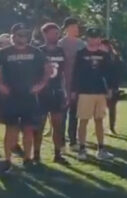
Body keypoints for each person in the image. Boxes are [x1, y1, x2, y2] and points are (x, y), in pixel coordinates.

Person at [0, 23, 50, 172]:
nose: (23, 37)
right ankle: (8, 160)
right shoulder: (4, 52)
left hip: (29, 96)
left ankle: (27, 159)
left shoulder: (36, 52)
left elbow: (48, 68)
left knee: (28, 130)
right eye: (20, 34)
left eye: (25, 34)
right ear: (13, 36)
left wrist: (41, 84)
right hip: (11, 97)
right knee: (11, 129)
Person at [72, 28, 117, 161]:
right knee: (83, 121)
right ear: (87, 39)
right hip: (84, 92)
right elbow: (76, 73)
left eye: (97, 37)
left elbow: (110, 73)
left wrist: (110, 89)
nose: (94, 40)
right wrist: (74, 90)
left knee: (99, 120)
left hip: (100, 92)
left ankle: (101, 149)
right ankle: (82, 149)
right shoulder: (80, 54)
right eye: (92, 37)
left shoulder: (104, 55)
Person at [33, 23, 69, 165]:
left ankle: (57, 153)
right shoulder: (38, 51)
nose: (56, 35)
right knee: (39, 125)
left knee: (58, 125)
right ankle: (36, 154)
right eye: (53, 33)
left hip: (57, 91)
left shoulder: (61, 51)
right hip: (42, 92)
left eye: (57, 33)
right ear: (45, 34)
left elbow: (65, 72)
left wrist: (66, 90)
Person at [58, 17, 86, 151]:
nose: (76, 29)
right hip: (63, 82)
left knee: (74, 113)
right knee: (62, 113)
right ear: (67, 28)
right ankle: (61, 141)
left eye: (77, 27)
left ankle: (73, 140)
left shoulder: (82, 44)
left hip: (77, 82)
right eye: (74, 27)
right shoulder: (60, 44)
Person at [99, 39, 121, 135]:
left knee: (111, 107)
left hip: (110, 86)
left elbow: (115, 73)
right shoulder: (101, 56)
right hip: (101, 86)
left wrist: (111, 88)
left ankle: (111, 127)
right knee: (101, 108)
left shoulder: (113, 57)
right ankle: (101, 127)